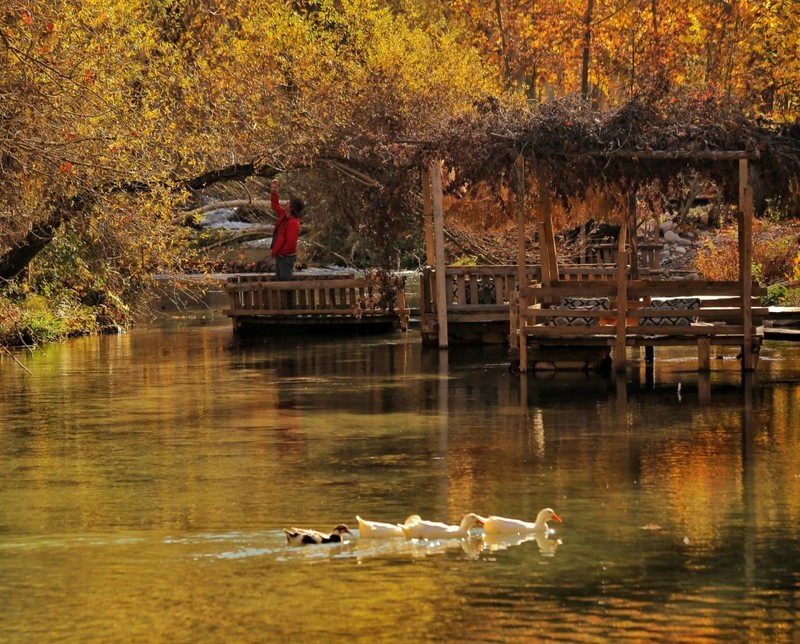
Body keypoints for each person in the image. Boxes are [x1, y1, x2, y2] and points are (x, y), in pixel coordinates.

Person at [269, 178, 304, 281]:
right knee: (280, 282)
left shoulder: (293, 223)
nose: (287, 202)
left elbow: (291, 242)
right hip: (281, 256)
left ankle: (288, 298)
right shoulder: (284, 215)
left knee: (285, 283)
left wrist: (281, 253)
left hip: (286, 257)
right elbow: (275, 205)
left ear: (292, 208)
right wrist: (274, 191)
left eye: (289, 203)